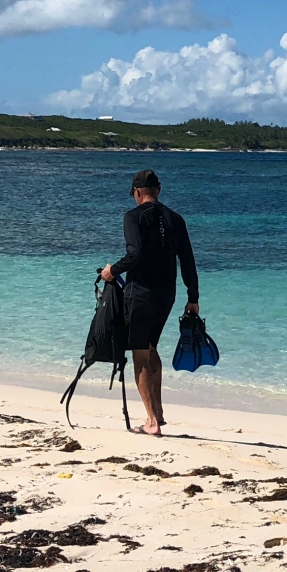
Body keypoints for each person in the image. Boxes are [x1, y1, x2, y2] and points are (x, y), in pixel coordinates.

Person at [98, 169, 198, 435]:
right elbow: (187, 261)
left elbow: (135, 255)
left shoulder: (133, 217)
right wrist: (193, 298)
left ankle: (151, 422)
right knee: (152, 348)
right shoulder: (176, 219)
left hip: (141, 293)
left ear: (137, 193)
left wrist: (111, 271)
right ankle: (160, 412)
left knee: (140, 352)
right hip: (167, 295)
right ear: (159, 190)